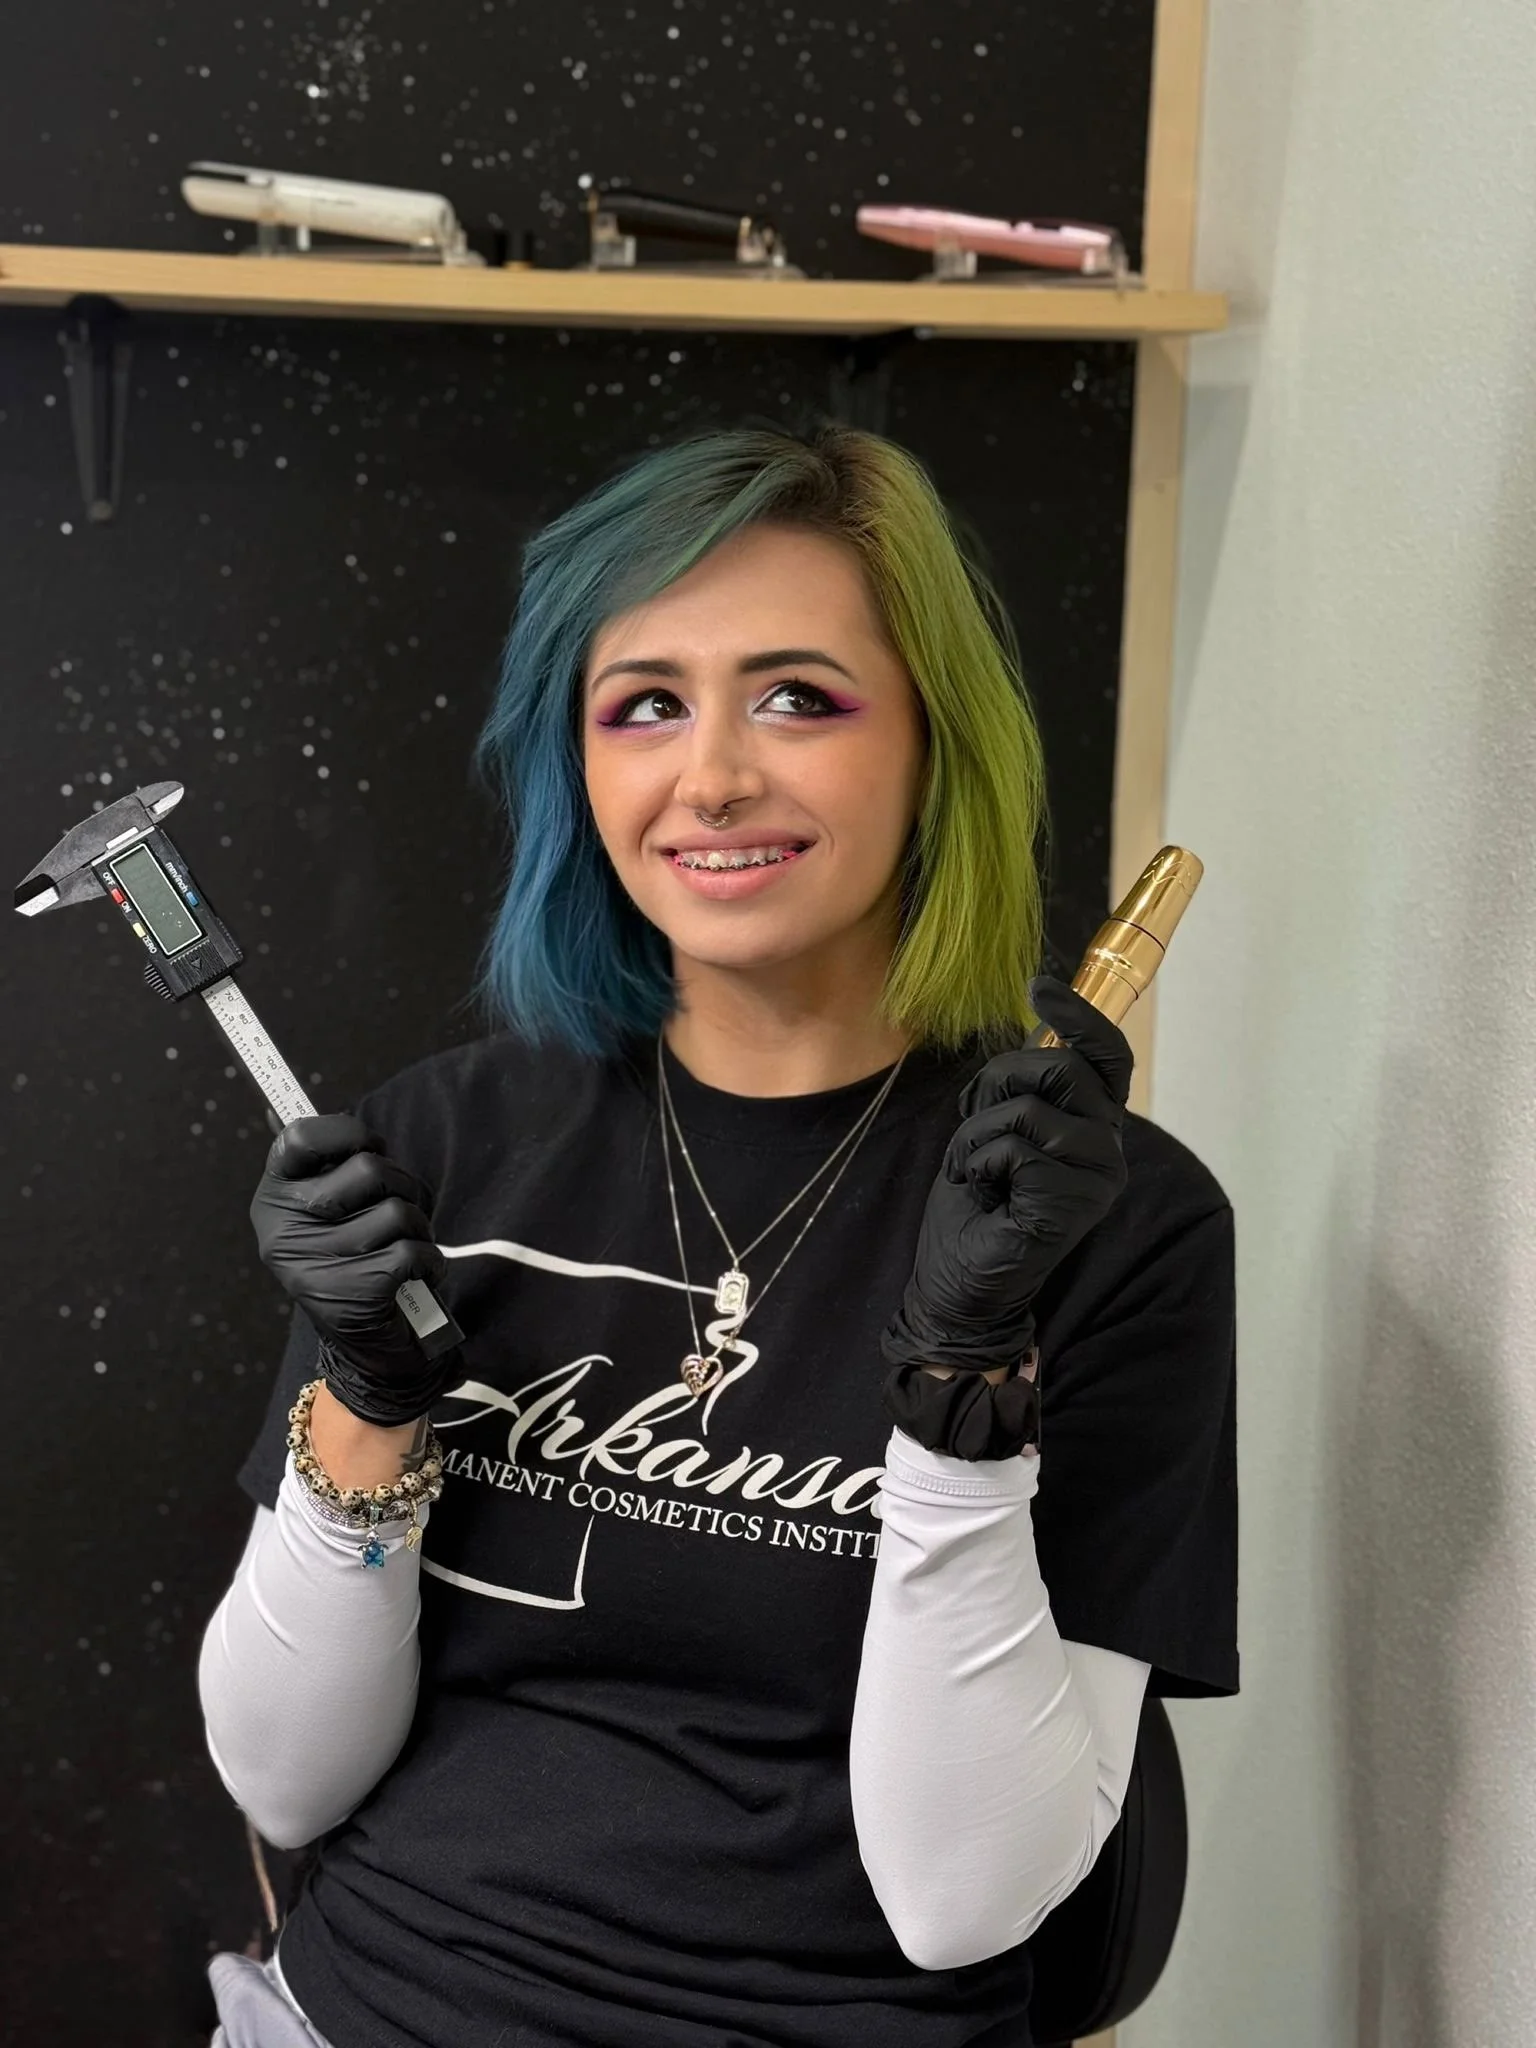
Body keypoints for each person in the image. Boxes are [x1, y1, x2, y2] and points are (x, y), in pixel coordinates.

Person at [198, 419, 1237, 2048]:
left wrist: (963, 1397)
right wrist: (370, 1401)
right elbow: (282, 1777)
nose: (712, 778)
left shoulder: (1117, 1225)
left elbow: (964, 1897)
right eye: (645, 706)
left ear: (939, 743)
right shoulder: (445, 1145)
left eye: (799, 698)